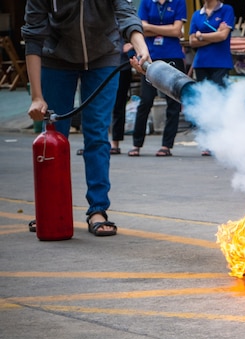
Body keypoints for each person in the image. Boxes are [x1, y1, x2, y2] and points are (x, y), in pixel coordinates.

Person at [22, 0, 151, 237]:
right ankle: (50, 210)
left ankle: (98, 209)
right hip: (56, 61)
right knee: (52, 137)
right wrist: (37, 97)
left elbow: (126, 15)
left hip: (103, 58)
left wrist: (141, 47)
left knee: (97, 133)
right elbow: (33, 37)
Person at [129, 0, 187, 157]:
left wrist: (150, 28)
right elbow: (141, 29)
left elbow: (177, 31)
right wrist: (165, 30)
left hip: (173, 55)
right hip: (151, 56)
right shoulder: (147, 2)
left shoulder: (178, 2)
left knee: (173, 103)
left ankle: (166, 145)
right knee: (146, 101)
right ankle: (137, 143)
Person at [189, 0, 235, 157]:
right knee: (204, 101)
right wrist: (212, 36)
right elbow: (191, 41)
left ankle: (222, 140)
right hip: (201, 63)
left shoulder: (227, 10)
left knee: (220, 100)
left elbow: (223, 36)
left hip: (221, 62)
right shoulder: (197, 14)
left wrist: (201, 36)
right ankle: (207, 142)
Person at [110, 43, 135, 155]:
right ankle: (93, 142)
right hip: (99, 63)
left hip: (122, 64)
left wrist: (134, 43)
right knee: (96, 105)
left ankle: (115, 142)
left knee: (118, 105)